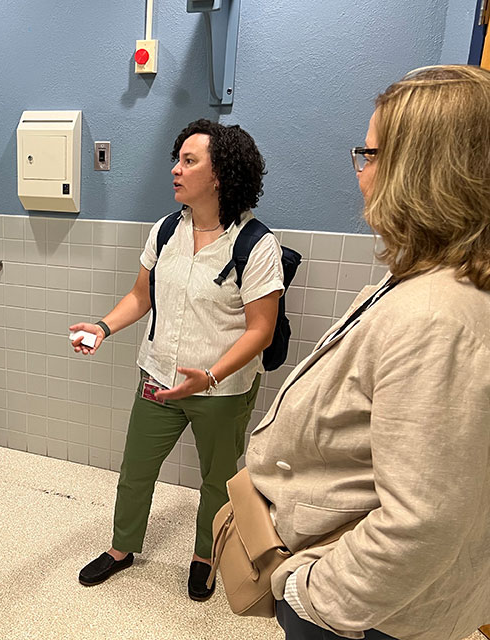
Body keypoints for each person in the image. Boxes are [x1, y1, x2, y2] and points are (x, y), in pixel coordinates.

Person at [246, 65, 490, 640]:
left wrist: (312, 596)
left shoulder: (436, 317)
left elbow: (422, 522)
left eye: (372, 154)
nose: (362, 172)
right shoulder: (426, 279)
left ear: (421, 172)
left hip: (365, 616)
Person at [72, 119, 285, 600]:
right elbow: (139, 295)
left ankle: (204, 556)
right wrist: (103, 327)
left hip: (221, 389)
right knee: (136, 468)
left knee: (216, 478)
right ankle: (122, 547)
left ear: (220, 175)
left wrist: (209, 375)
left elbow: (261, 329)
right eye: (178, 158)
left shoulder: (256, 244)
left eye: (189, 161)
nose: (176, 169)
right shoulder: (167, 229)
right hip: (159, 374)